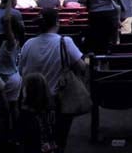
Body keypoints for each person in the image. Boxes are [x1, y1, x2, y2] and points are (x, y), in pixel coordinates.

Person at [19, 9, 86, 151]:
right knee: (59, 141)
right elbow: (81, 67)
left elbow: (21, 71)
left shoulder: (28, 44)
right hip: (59, 100)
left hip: (33, 100)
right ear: (57, 22)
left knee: (36, 142)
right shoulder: (65, 42)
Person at [16, 73, 59, 153]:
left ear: (29, 91)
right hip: (48, 147)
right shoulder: (49, 110)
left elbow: (20, 137)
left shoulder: (25, 115)